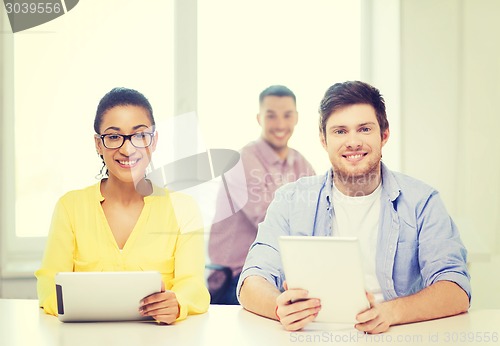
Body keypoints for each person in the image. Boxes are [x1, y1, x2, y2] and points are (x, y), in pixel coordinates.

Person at [237, 81, 471, 333]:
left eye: (364, 129)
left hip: (395, 334)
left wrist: (392, 312)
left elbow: (456, 289)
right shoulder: (290, 200)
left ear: (384, 135)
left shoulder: (423, 201)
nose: (353, 142)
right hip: (311, 334)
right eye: (340, 131)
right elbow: (252, 280)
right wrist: (278, 307)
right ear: (323, 140)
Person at [35, 87, 210, 324]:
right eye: (114, 137)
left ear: (154, 140)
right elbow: (48, 284)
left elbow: (194, 286)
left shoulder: (184, 209)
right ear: (98, 144)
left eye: (140, 135)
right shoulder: (71, 207)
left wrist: (177, 303)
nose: (128, 149)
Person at [208, 85, 315, 305]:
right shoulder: (241, 161)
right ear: (259, 118)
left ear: (296, 118)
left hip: (281, 275)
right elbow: (269, 219)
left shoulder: (300, 162)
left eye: (287, 115)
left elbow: (320, 210)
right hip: (236, 279)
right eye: (271, 116)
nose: (280, 124)